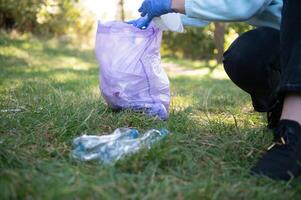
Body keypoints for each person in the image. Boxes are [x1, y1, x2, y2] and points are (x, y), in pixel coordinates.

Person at [129, 0, 301, 181]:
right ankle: (279, 106)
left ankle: (293, 129)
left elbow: (243, 5)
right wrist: (157, 19)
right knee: (246, 54)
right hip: (284, 42)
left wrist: (171, 3)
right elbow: (215, 4)